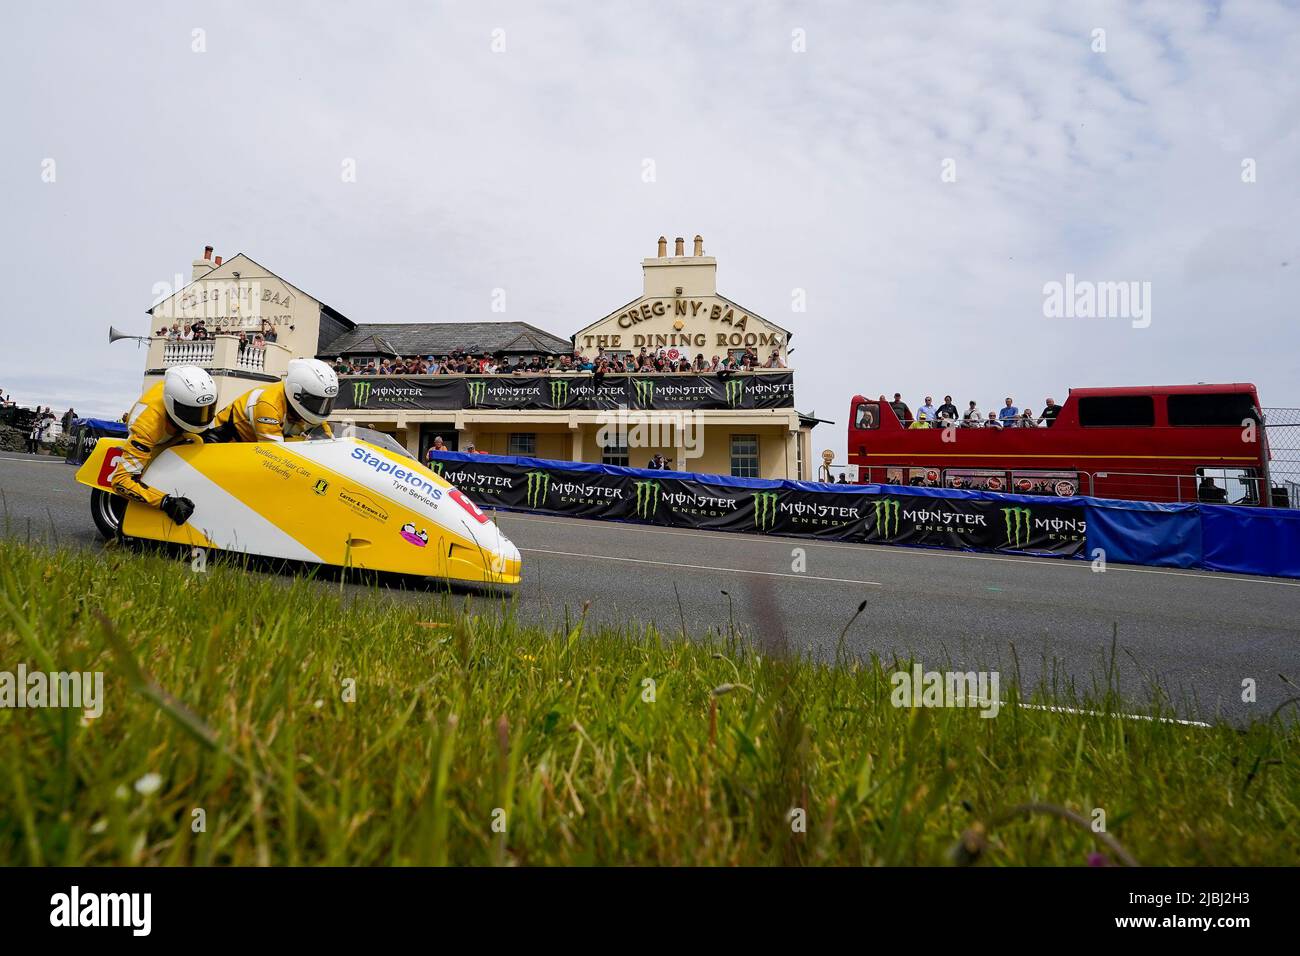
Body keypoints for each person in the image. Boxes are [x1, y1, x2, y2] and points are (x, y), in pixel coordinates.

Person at [109, 366, 218, 525]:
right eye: (194, 413)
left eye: (207, 410)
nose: (202, 418)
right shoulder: (147, 426)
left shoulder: (190, 398)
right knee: (151, 473)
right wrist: (166, 502)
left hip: (176, 429)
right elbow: (120, 481)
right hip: (156, 439)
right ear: (173, 405)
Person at [208, 358, 338, 443]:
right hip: (221, 439)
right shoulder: (268, 403)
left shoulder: (311, 408)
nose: (321, 408)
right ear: (297, 394)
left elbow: (327, 441)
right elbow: (275, 451)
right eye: (317, 402)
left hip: (248, 445)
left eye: (326, 403)